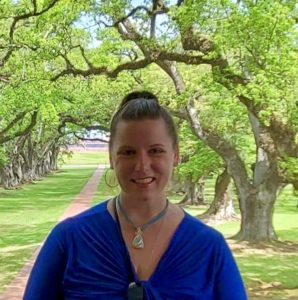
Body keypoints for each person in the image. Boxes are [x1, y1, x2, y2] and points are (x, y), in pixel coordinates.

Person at [24, 91, 247, 300]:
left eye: (155, 151)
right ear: (112, 157)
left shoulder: (209, 247)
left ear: (176, 154)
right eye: (128, 152)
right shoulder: (69, 240)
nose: (142, 165)